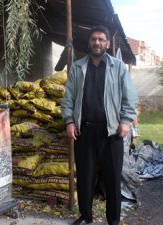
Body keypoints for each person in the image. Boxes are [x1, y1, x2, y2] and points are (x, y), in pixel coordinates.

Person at [61, 25, 138, 225]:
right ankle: (86, 216)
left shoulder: (118, 67)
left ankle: (113, 219)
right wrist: (69, 120)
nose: (97, 42)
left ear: (107, 43)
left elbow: (130, 97)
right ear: (89, 42)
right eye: (94, 39)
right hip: (84, 131)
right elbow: (68, 98)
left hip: (111, 132)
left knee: (112, 177)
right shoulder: (78, 67)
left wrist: (125, 121)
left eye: (101, 39)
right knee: (85, 177)